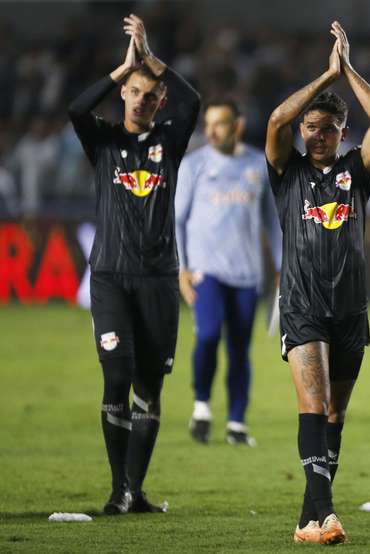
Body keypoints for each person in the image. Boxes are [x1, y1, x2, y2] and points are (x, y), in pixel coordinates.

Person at [265, 21, 370, 544]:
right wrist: (324, 78)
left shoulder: (355, 172)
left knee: (336, 412)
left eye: (327, 128)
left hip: (350, 310)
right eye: (310, 127)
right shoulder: (286, 171)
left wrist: (349, 71)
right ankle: (328, 514)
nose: (315, 134)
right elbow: (276, 119)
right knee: (314, 407)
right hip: (302, 305)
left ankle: (305, 521)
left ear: (344, 133)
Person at [68, 14, 200, 515]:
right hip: (110, 277)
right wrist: (122, 69)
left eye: (150, 95)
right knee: (116, 375)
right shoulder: (102, 141)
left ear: (159, 102)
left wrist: (152, 61)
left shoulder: (171, 140)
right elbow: (75, 107)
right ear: (123, 95)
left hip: (160, 280)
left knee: (149, 385)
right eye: (134, 92)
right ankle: (118, 486)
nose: (142, 100)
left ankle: (131, 490)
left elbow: (194, 102)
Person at [176, 99, 282, 446]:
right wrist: (182, 268)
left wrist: (281, 266)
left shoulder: (257, 164)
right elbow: (177, 220)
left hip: (247, 274)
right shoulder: (193, 165)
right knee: (207, 336)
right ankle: (202, 405)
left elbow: (272, 221)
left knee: (240, 350)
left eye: (219, 123)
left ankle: (237, 422)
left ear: (238, 125)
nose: (211, 130)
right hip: (206, 271)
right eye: (208, 123)